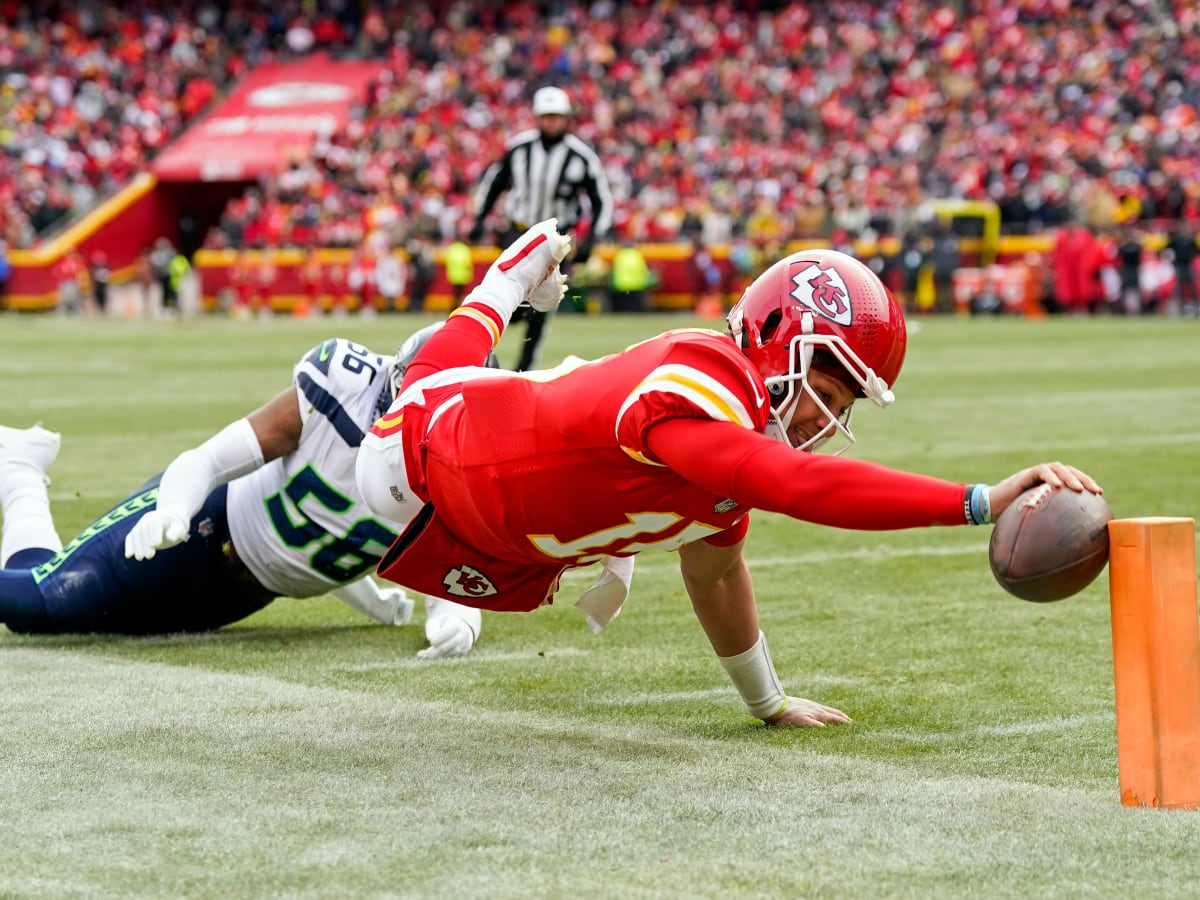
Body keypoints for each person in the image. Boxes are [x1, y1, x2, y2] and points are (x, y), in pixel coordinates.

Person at [355, 219, 1103, 728]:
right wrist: (975, 501)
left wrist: (768, 702)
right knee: (433, 376)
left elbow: (716, 579)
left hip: (496, 537)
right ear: (781, 336)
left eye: (842, 407)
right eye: (828, 391)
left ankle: (507, 285)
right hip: (417, 455)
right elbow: (795, 485)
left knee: (460, 373)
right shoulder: (704, 372)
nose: (824, 421)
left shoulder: (720, 469)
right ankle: (506, 279)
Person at [0, 326, 485, 659]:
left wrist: (458, 625)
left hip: (242, 595)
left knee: (66, 616)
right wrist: (173, 508)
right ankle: (20, 477)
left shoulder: (455, 479)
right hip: (202, 524)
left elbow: (447, 581)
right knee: (33, 604)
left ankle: (20, 472)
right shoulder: (344, 387)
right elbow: (209, 460)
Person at [467, 86, 614, 371]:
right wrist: (478, 218)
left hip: (556, 243)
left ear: (567, 118)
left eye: (556, 117)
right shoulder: (519, 149)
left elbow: (601, 202)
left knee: (542, 310)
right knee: (506, 297)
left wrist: (592, 239)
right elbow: (493, 184)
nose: (551, 123)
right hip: (518, 233)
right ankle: (477, 356)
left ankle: (523, 370)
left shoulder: (580, 156)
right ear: (537, 117)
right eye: (546, 117)